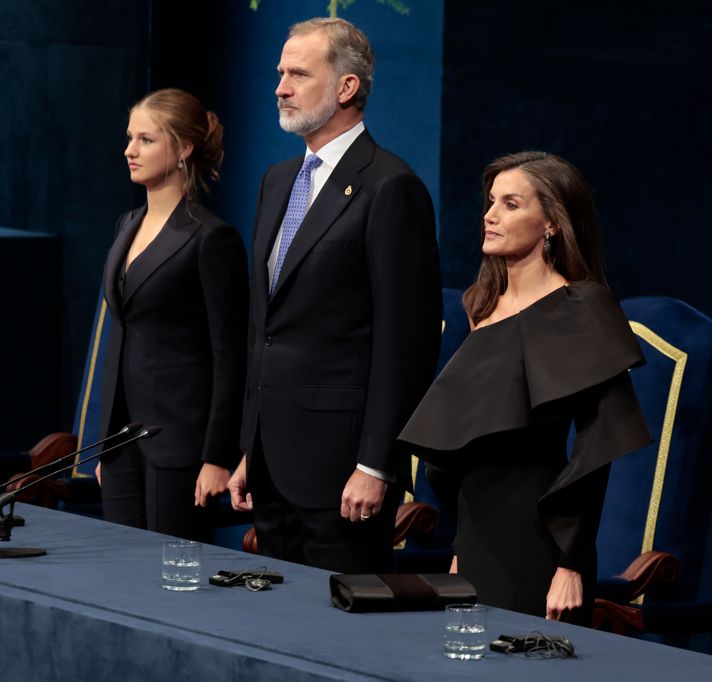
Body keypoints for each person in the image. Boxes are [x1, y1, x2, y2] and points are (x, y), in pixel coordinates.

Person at [399, 151, 651, 622]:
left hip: (538, 539)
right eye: (491, 202)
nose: (490, 216)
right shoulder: (481, 306)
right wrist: (459, 543)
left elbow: (599, 445)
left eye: (511, 204)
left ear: (552, 222)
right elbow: (466, 436)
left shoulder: (582, 306)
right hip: (476, 534)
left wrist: (570, 562)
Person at [228, 18, 441, 573]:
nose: (280, 86)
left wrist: (377, 464)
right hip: (273, 462)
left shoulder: (390, 187)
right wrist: (252, 445)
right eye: (280, 73)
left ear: (347, 87)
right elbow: (266, 328)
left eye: (298, 73)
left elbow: (406, 345)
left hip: (343, 471)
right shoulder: (277, 180)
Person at [97, 88, 248, 542]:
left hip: (182, 447)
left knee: (171, 582)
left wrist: (218, 456)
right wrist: (105, 444)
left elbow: (231, 354)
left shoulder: (211, 238)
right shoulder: (126, 224)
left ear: (183, 148)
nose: (129, 150)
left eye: (145, 139)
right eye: (129, 138)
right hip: (121, 443)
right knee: (122, 579)